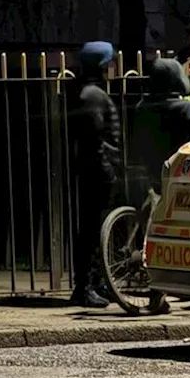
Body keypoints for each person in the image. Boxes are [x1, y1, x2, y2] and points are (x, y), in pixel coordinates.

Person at [130, 57, 190, 315]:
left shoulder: (142, 107)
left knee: (156, 237)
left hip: (152, 177)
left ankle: (156, 296)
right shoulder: (185, 110)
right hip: (180, 180)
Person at [68, 41, 123, 308]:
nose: (114, 67)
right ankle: (85, 286)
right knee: (92, 229)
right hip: (97, 172)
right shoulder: (92, 95)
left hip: (99, 170)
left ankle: (99, 281)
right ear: (102, 65)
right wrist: (107, 169)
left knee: (99, 228)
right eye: (111, 62)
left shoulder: (93, 92)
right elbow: (94, 139)